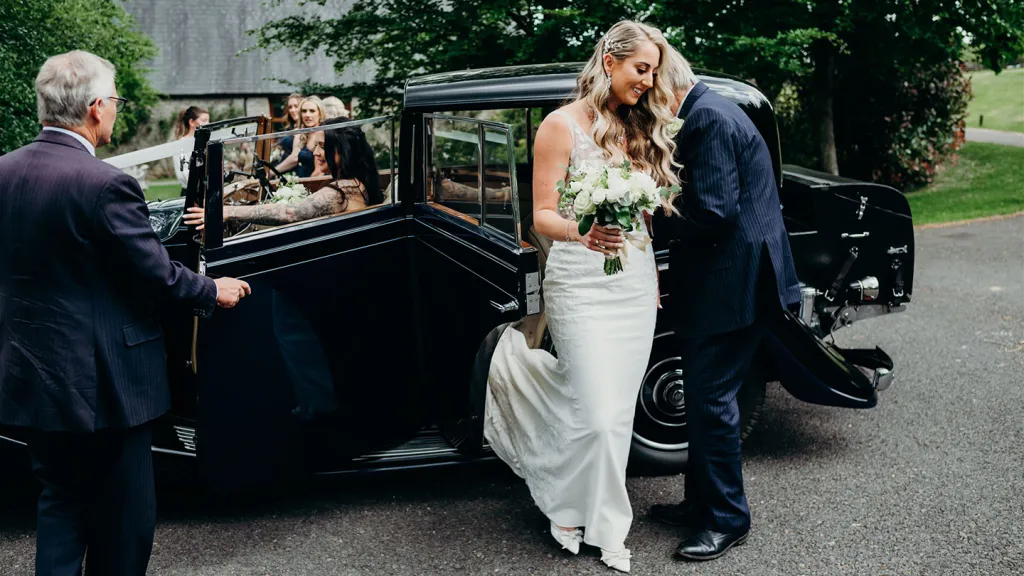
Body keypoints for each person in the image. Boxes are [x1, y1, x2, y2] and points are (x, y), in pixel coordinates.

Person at [0, 50, 251, 576]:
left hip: (30, 370)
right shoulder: (106, 184)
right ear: (94, 108)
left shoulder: (5, 172)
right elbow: (156, 273)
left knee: (60, 506)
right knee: (125, 522)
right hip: (107, 383)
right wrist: (213, 289)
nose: (116, 108)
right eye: (114, 99)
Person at [482, 21, 679, 573]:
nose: (647, 81)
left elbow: (642, 218)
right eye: (642, 69)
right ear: (610, 61)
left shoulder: (635, 127)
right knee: (595, 414)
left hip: (633, 284)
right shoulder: (558, 126)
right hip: (580, 282)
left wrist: (655, 280)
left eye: (654, 73)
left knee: (616, 417)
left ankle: (601, 522)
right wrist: (583, 232)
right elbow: (543, 215)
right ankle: (578, 509)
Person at [648, 47, 801, 561]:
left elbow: (713, 211)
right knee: (705, 398)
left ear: (667, 87)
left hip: (732, 284)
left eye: (650, 95)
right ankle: (702, 504)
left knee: (712, 401)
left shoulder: (708, 117)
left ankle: (727, 519)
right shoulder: (710, 109)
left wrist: (651, 221)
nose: (649, 109)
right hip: (735, 278)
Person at [184, 122, 382, 229]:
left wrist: (226, 212)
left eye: (323, 147)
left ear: (342, 151)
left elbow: (288, 213)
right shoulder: (357, 184)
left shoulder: (340, 193)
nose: (315, 153)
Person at [276, 96, 326, 177]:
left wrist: (305, 187)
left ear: (320, 114)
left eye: (312, 111)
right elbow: (294, 157)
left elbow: (319, 172)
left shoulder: (322, 135)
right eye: (304, 111)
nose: (307, 115)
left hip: (314, 183)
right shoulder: (301, 134)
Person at [172, 105, 209, 191]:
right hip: (190, 193)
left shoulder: (207, 142)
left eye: (208, 120)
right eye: (204, 120)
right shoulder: (180, 145)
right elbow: (184, 175)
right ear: (191, 122)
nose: (208, 124)